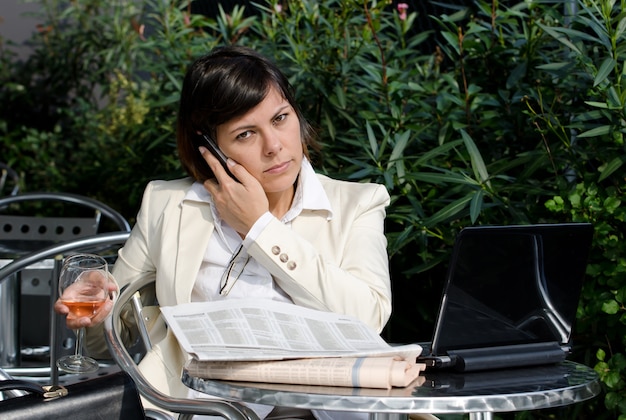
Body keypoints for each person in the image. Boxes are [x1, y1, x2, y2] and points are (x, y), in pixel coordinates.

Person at [55, 45, 393, 419]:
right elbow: (112, 343)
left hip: (319, 410)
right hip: (200, 409)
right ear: (209, 147)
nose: (275, 146)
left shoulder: (357, 203)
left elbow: (368, 320)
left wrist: (260, 228)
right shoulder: (168, 205)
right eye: (246, 134)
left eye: (280, 118)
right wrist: (98, 315)